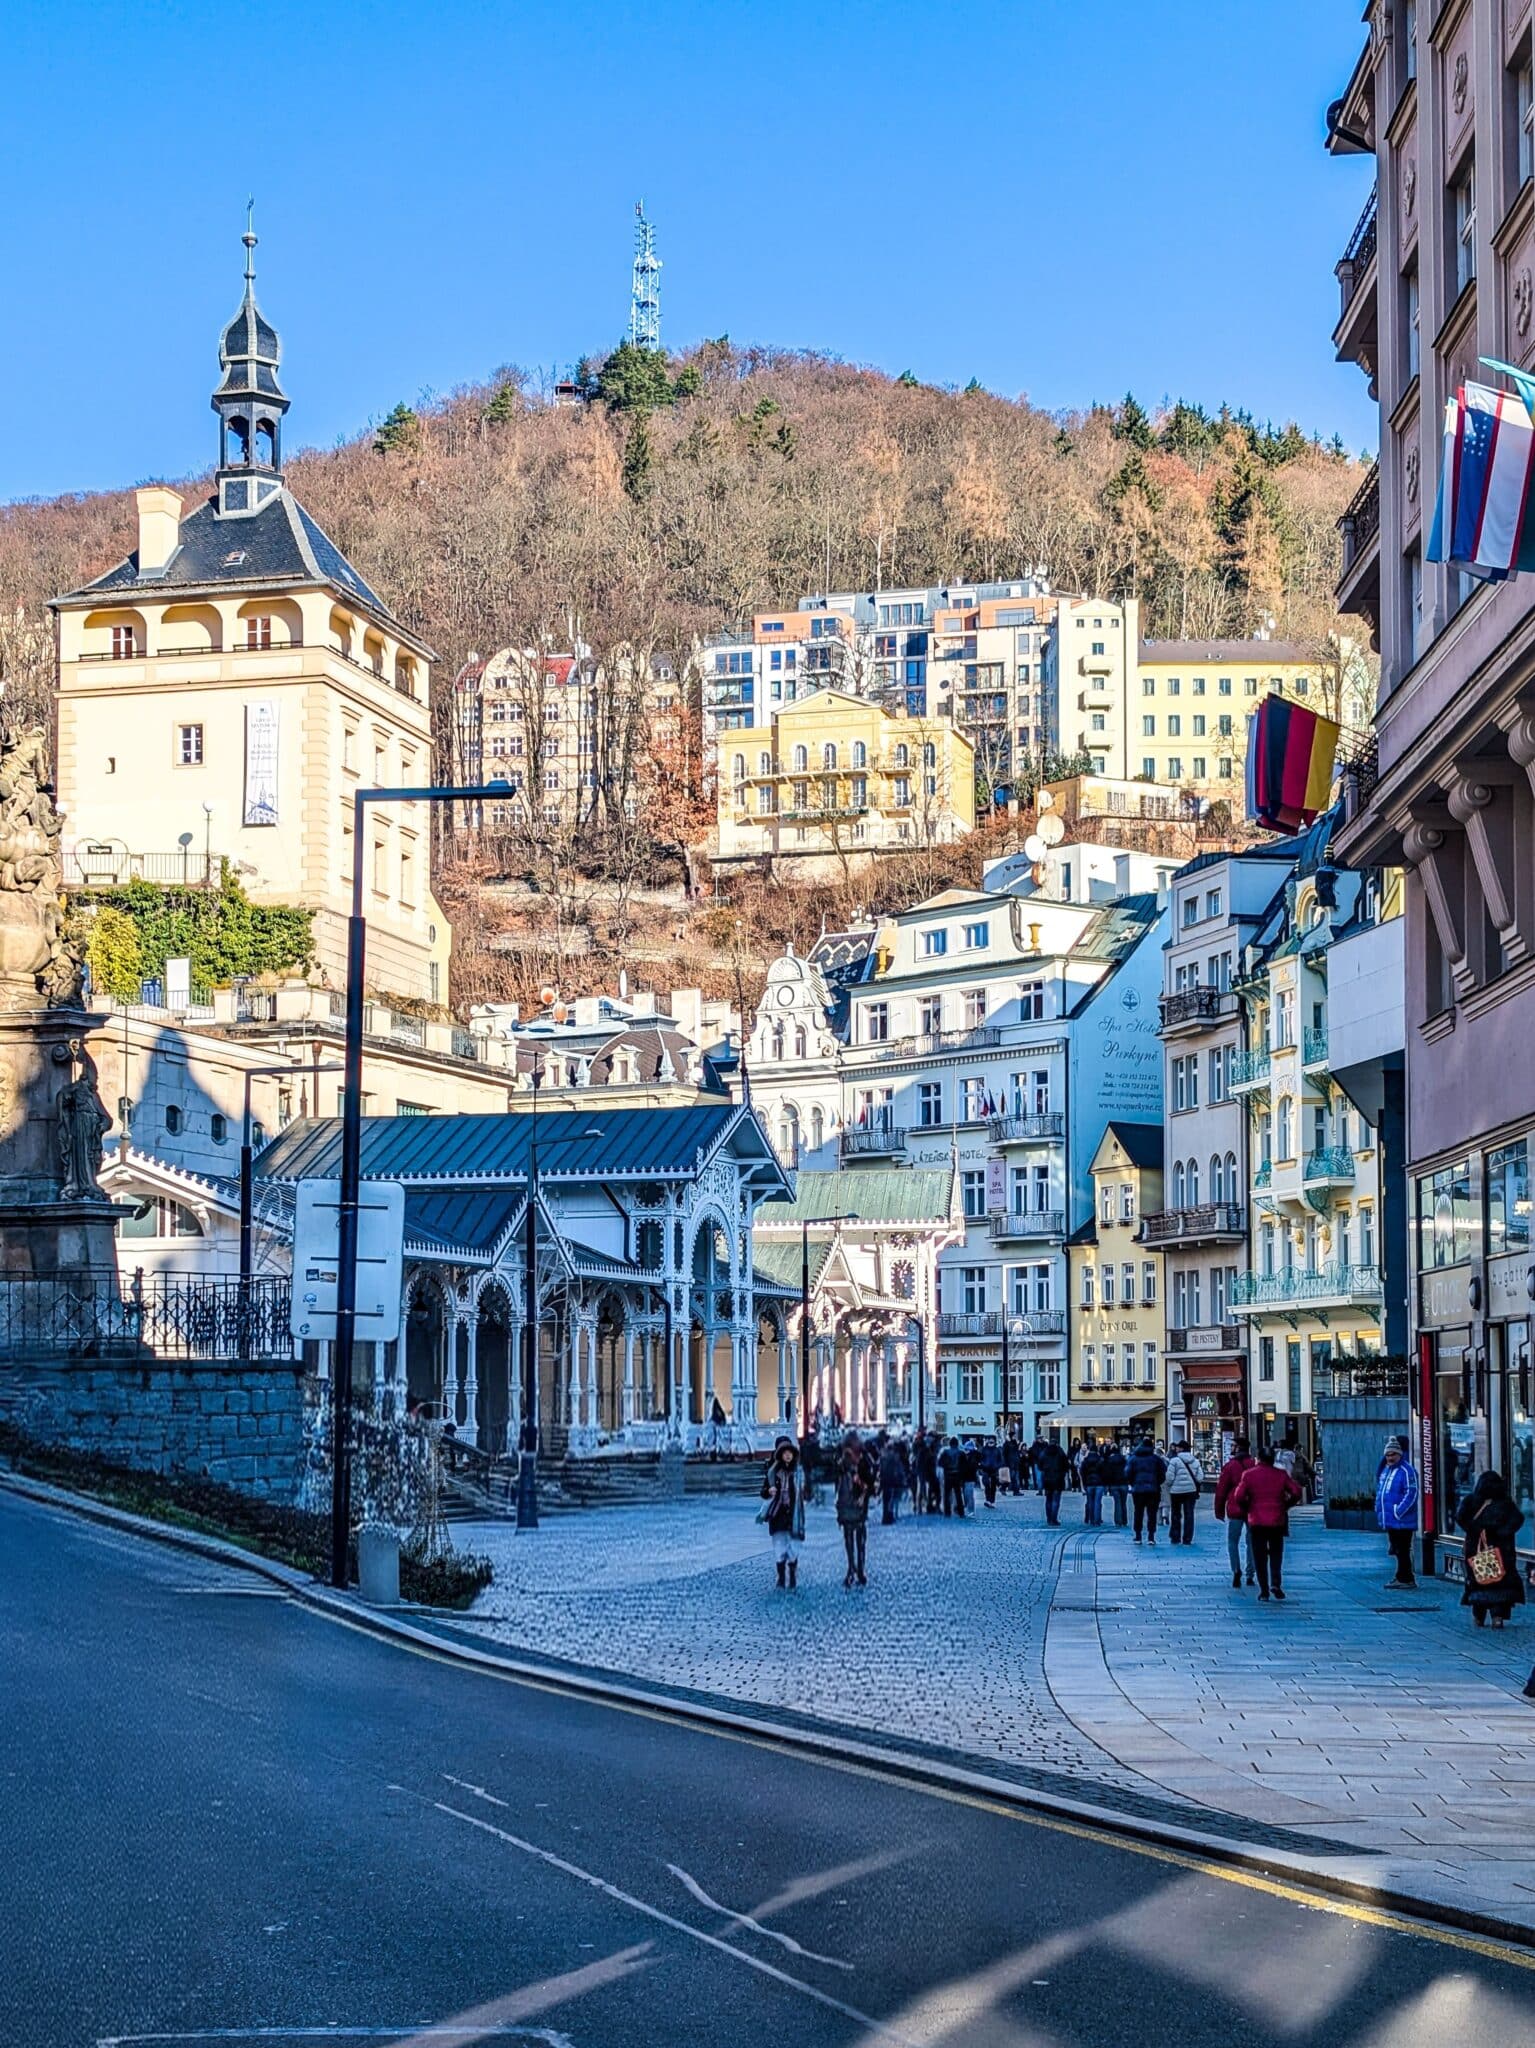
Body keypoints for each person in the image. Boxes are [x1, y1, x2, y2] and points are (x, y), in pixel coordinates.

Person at [1456, 1471, 1527, 1629]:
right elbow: (1517, 1519)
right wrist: (1502, 1532)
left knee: (1479, 1580)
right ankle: (1498, 1616)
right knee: (1500, 1581)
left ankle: (1479, 1616)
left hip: (1476, 1549)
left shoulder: (1471, 1501)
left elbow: (1460, 1518)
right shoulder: (1505, 1503)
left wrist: (1474, 1530)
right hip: (1501, 1550)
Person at [1230, 1445, 1302, 1600]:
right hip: (1277, 1519)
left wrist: (1248, 1507)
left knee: (1259, 1555)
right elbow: (1296, 1491)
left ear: (1259, 1458)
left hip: (1257, 1520)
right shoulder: (1281, 1475)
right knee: (1276, 1553)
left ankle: (1263, 1590)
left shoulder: (1249, 1475)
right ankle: (1275, 1582)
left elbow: (1239, 1496)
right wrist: (1286, 1505)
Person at [759, 1437, 806, 1590]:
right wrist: (769, 1491)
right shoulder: (773, 1473)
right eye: (784, 1452)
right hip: (778, 1514)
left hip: (793, 1514)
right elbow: (763, 1492)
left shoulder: (797, 1472)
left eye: (789, 1453)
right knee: (779, 1546)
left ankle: (792, 1575)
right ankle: (781, 1576)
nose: (787, 1455)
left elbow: (805, 1491)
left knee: (793, 1546)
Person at [1376, 1436, 1421, 1589]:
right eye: (1387, 1455)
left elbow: (1412, 1493)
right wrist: (1380, 1511)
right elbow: (1381, 1493)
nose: (1390, 1458)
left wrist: (1398, 1511)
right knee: (1397, 1549)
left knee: (1402, 1549)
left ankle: (1406, 1578)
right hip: (1391, 1519)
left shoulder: (1407, 1471)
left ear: (1400, 1454)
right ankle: (1402, 1576)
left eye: (1393, 1454)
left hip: (1402, 1519)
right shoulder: (1386, 1471)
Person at [1214, 1435, 1257, 1588]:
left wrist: (1219, 1509)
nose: (1231, 1448)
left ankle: (1236, 1570)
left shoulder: (1230, 1466)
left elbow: (1221, 1489)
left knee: (1233, 1541)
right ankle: (1250, 1573)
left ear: (1238, 1448)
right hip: (1252, 1508)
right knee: (1252, 1542)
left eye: (1232, 1446)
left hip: (1235, 1508)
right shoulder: (1254, 1464)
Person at [835, 1432, 873, 1586]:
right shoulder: (843, 1462)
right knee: (852, 1540)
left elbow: (870, 1482)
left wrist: (863, 1488)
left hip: (856, 1505)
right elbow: (836, 1476)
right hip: (847, 1505)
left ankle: (858, 1569)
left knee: (857, 1540)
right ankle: (853, 1569)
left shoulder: (863, 1462)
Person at [1126, 1438, 1166, 1543]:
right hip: (1153, 1490)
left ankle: (1138, 1535)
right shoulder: (1156, 1459)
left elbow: (1127, 1473)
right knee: (1152, 1513)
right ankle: (1151, 1536)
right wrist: (1157, 1483)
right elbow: (1163, 1473)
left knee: (1138, 1512)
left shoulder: (1133, 1459)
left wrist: (1133, 1483)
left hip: (1138, 1490)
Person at [1165, 1439, 1204, 1546]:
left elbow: (1169, 1477)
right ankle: (1187, 1538)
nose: (1176, 1448)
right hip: (1190, 1491)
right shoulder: (1195, 1461)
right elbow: (1200, 1477)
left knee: (1176, 1514)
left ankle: (1175, 1537)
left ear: (1181, 1449)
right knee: (1189, 1514)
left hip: (1176, 1492)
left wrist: (1171, 1485)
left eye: (1178, 1447)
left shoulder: (1174, 1461)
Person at [1035, 1436, 1069, 1525]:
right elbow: (1066, 1464)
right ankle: (1054, 1518)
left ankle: (1049, 1518)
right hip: (1058, 1478)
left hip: (1047, 1478)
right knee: (1056, 1500)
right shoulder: (1060, 1452)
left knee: (1048, 1499)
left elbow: (1039, 1464)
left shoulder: (1045, 1452)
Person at [879, 1436, 906, 1525]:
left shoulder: (882, 1456)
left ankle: (885, 1516)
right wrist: (901, 1478)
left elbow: (880, 1468)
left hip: (884, 1480)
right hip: (892, 1481)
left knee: (885, 1500)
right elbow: (899, 1469)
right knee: (891, 1500)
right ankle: (889, 1516)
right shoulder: (895, 1457)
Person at [1101, 1441, 1129, 1526]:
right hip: (1124, 1483)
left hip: (1114, 1484)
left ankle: (1118, 1521)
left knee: (1117, 1503)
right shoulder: (1124, 1460)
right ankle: (1124, 1520)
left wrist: (1107, 1484)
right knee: (1124, 1503)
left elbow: (1107, 1473)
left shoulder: (1110, 1461)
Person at [938, 1436, 965, 1518]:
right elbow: (965, 1465)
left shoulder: (945, 1452)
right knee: (958, 1495)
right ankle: (961, 1512)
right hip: (957, 1475)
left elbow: (940, 1463)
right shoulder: (961, 1452)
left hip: (948, 1475)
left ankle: (947, 1512)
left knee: (947, 1495)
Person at [1080, 1439, 1105, 1526]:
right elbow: (1104, 1472)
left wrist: (1084, 1484)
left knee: (1090, 1501)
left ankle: (1091, 1519)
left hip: (1089, 1483)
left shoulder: (1085, 1461)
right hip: (1099, 1483)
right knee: (1097, 1502)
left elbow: (1082, 1473)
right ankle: (1097, 1520)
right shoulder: (1101, 1460)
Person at [979, 1436, 1002, 1508]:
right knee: (986, 1484)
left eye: (992, 1441)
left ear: (994, 1442)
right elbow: (980, 1458)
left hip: (994, 1470)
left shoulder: (997, 1450)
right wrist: (982, 1464)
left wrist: (997, 1466)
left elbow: (1000, 1459)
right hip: (985, 1469)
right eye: (989, 1440)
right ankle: (988, 1500)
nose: (990, 1442)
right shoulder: (983, 1449)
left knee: (993, 1486)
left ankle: (992, 1501)